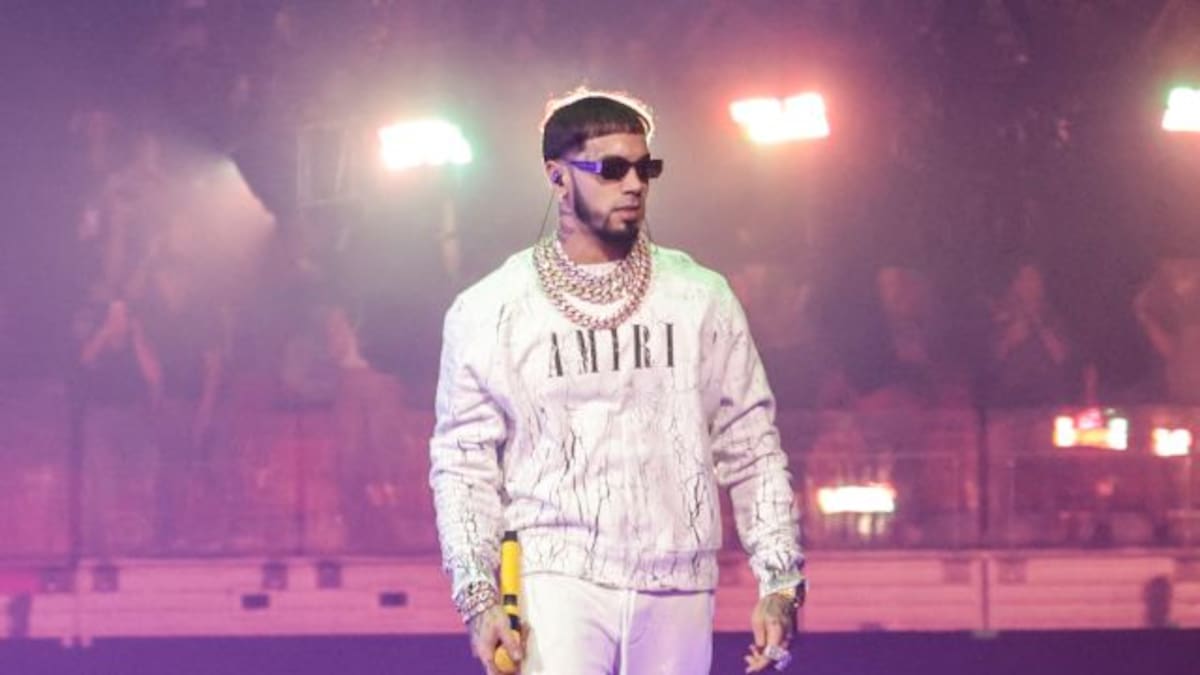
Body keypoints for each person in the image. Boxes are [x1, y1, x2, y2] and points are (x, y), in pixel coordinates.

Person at [429, 90, 806, 675]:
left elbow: (751, 443)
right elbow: (463, 464)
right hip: (554, 574)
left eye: (644, 168)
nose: (633, 184)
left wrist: (779, 581)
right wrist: (478, 598)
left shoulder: (699, 296)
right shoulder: (491, 309)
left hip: (679, 575)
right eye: (611, 169)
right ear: (557, 177)